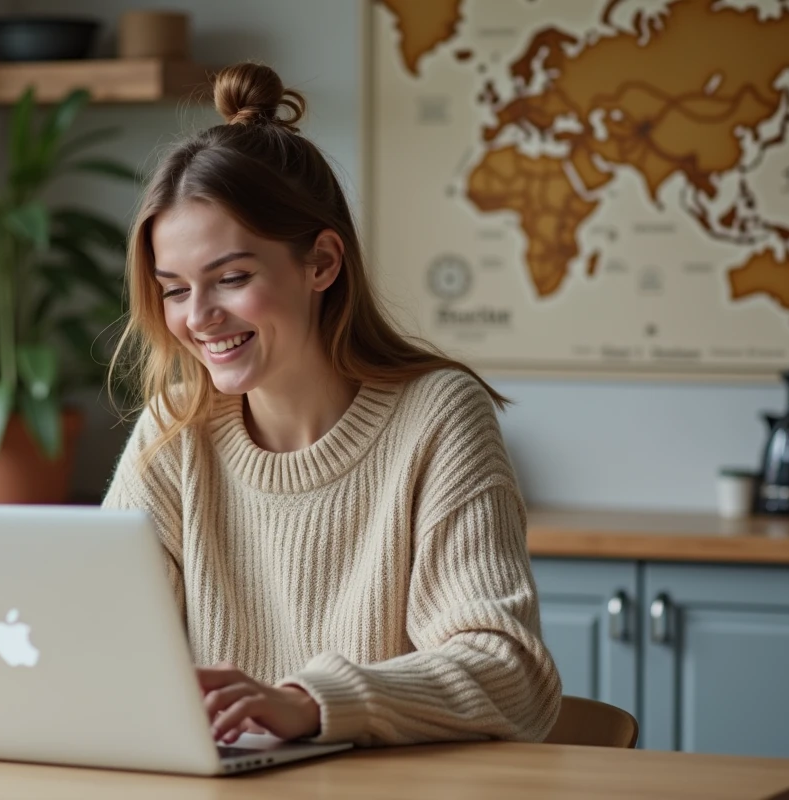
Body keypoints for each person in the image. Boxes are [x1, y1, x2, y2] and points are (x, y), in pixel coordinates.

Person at [102, 62, 561, 748]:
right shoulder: (176, 433)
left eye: (231, 278)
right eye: (173, 289)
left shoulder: (436, 416)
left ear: (321, 262)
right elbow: (101, 646)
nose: (199, 317)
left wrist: (310, 702)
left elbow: (509, 670)